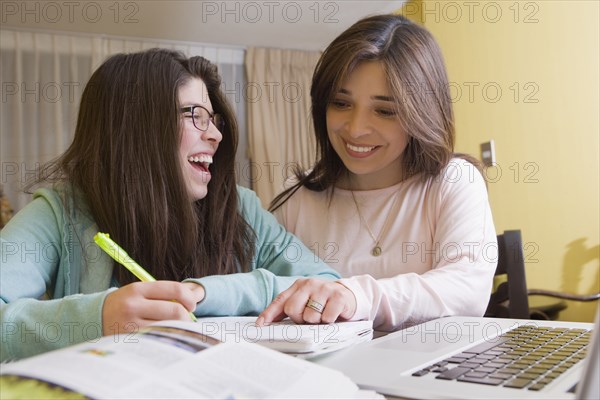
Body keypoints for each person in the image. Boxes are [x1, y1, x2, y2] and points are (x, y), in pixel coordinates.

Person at [0, 48, 340, 361]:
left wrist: (208, 293)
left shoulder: (241, 209)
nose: (216, 135)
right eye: (195, 115)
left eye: (214, 119)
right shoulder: (60, 213)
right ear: (136, 125)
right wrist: (96, 318)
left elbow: (328, 286)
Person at [258, 14, 497, 331]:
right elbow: (266, 291)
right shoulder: (298, 198)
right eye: (341, 103)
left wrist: (355, 296)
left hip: (423, 371)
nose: (355, 129)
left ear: (422, 113)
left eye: (384, 111)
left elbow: (466, 291)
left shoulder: (454, 182)